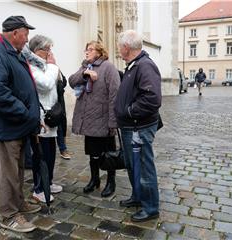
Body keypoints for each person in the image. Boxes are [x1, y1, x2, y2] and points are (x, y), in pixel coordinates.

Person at [0, 16, 41, 233]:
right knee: (8, 174)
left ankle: (19, 204)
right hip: (6, 127)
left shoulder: (11, 52)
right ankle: (9, 215)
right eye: (26, 33)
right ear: (15, 33)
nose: (27, 39)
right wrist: (25, 113)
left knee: (17, 171)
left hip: (18, 126)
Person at [115, 30, 162, 222]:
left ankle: (151, 208)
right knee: (132, 165)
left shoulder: (145, 66)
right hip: (131, 127)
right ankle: (138, 197)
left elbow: (152, 98)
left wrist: (128, 111)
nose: (118, 49)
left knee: (143, 167)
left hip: (139, 127)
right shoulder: (133, 65)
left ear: (126, 47)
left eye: (119, 46)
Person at [69, 41, 120, 198]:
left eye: (90, 49)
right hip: (89, 120)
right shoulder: (85, 67)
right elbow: (72, 81)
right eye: (86, 49)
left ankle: (111, 181)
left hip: (104, 120)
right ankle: (94, 179)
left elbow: (115, 94)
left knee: (109, 154)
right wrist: (85, 73)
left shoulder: (108, 67)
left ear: (99, 52)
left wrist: (113, 121)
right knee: (93, 154)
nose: (87, 52)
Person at [22, 35, 63, 203]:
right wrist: (53, 67)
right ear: (37, 51)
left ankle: (49, 181)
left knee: (51, 153)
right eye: (47, 50)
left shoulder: (44, 65)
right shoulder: (31, 67)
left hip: (51, 116)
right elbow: (46, 84)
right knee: (41, 155)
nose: (49, 53)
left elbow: (60, 82)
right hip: (41, 118)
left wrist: (53, 68)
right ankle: (39, 188)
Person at [56, 73, 71, 160]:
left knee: (61, 127)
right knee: (59, 128)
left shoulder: (57, 70)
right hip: (52, 105)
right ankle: (63, 149)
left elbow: (64, 82)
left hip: (60, 104)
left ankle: (63, 149)